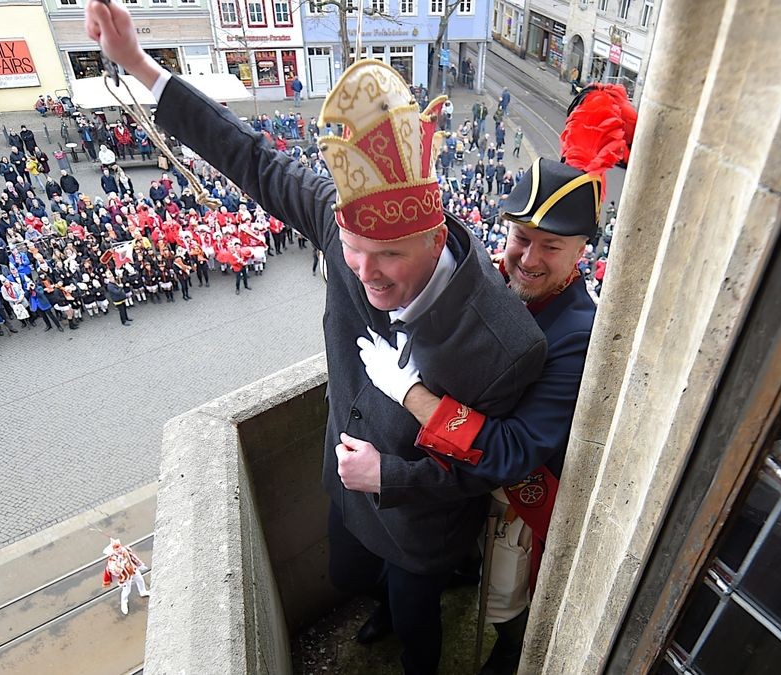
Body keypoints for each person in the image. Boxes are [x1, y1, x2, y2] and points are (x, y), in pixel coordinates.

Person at [87, 5, 547, 673]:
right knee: (352, 574)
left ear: (431, 231)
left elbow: (485, 466)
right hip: (343, 479)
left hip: (421, 523)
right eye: (353, 252)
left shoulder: (507, 341)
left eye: (386, 256)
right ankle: (382, 607)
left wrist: (388, 473)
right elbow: (250, 157)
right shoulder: (344, 236)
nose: (365, 275)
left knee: (419, 630)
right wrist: (139, 66)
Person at [360, 84, 636, 675]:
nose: (529, 259)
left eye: (551, 247)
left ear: (583, 251)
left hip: (521, 494)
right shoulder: (496, 275)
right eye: (521, 239)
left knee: (508, 606)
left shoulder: (577, 335)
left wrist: (409, 392)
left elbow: (511, 451)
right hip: (456, 476)